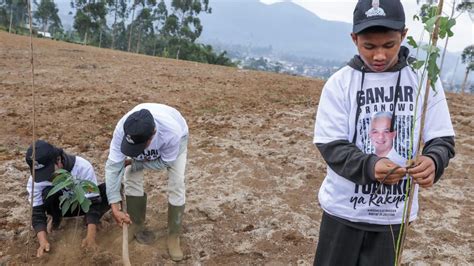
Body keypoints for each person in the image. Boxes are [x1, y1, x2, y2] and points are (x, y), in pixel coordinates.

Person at [312, 0, 455, 265]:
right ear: (354, 39)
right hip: (343, 211)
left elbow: (442, 139)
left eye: (389, 45)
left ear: (404, 35)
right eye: (369, 46)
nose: (379, 55)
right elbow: (331, 144)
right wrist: (369, 165)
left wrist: (434, 160)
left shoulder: (423, 79)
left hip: (394, 215)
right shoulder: (340, 84)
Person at [105, 103, 188, 262]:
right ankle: (135, 224)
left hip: (177, 142)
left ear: (153, 135)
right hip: (143, 138)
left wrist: (135, 163)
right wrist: (114, 206)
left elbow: (165, 163)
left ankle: (173, 235)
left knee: (177, 183)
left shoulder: (171, 133)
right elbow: (113, 167)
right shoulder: (122, 129)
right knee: (130, 177)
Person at [26, 140, 110, 258]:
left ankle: (90, 220)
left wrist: (90, 237)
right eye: (41, 174)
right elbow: (37, 212)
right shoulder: (35, 181)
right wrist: (43, 242)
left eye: (49, 172)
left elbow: (93, 202)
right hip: (59, 208)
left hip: (83, 205)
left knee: (109, 190)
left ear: (59, 160)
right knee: (45, 192)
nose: (46, 177)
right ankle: (56, 219)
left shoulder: (82, 167)